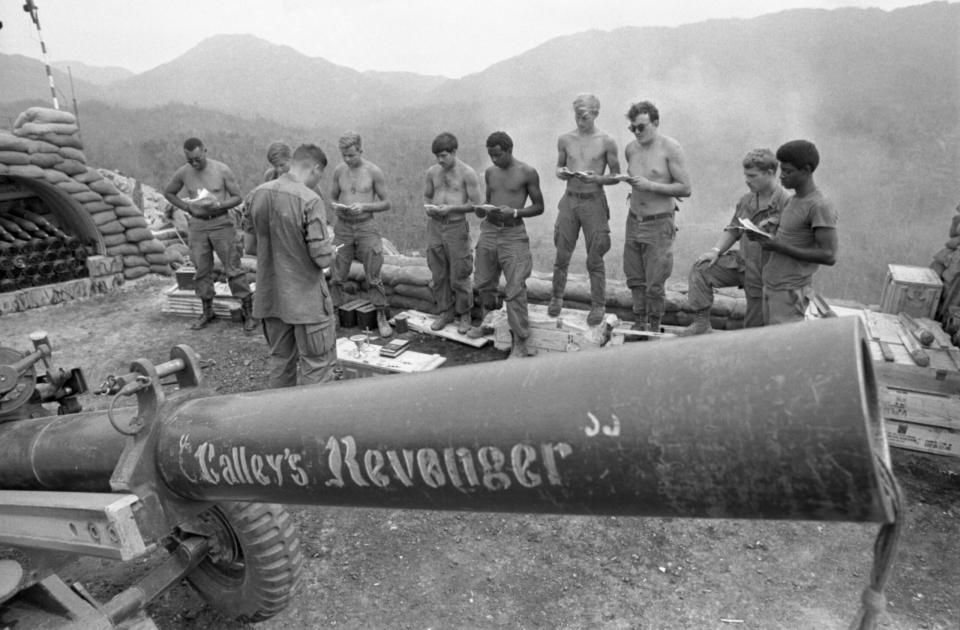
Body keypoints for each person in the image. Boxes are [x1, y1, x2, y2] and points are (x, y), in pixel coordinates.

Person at [244, 144, 338, 388]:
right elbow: (322, 259)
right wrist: (332, 251)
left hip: (271, 297)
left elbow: (250, 247)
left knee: (281, 362)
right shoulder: (310, 199)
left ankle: (282, 420)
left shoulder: (256, 195)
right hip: (306, 301)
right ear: (316, 169)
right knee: (317, 365)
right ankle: (313, 423)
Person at [681, 148, 790, 334]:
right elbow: (733, 229)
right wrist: (716, 250)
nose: (747, 180)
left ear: (770, 173)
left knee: (754, 330)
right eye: (746, 175)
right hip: (742, 263)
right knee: (701, 268)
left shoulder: (786, 203)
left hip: (766, 272)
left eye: (753, 176)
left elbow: (792, 242)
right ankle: (701, 323)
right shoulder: (747, 200)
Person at [163, 137, 254, 332]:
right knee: (201, 268)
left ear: (205, 151)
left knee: (233, 267)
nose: (195, 163)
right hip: (197, 225)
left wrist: (219, 204)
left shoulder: (222, 170)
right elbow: (169, 193)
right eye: (190, 160)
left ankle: (248, 311)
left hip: (221, 222)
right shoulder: (183, 173)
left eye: (197, 159)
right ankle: (207, 311)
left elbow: (238, 197)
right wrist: (188, 207)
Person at [469, 131, 544, 358]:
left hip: (513, 234)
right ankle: (490, 321)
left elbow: (539, 206)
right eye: (490, 155)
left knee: (515, 287)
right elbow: (490, 200)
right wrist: (482, 209)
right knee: (484, 281)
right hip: (490, 230)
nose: (493, 160)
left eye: (497, 155)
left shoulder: (527, 172)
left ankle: (520, 340)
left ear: (509, 150)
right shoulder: (491, 172)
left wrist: (515, 212)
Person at [549, 94, 621, 326]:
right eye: (577, 112)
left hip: (593, 201)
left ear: (596, 113)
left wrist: (597, 178)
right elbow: (559, 166)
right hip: (570, 200)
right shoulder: (565, 139)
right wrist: (561, 172)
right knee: (562, 252)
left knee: (595, 256)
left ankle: (598, 304)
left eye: (586, 113)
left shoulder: (607, 141)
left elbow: (616, 176)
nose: (581, 117)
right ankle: (556, 297)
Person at [620, 101, 692, 333]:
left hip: (659, 222)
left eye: (642, 127)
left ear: (656, 123)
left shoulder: (671, 148)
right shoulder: (631, 149)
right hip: (634, 220)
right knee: (634, 278)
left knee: (655, 282)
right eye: (633, 128)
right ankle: (639, 322)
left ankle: (654, 327)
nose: (637, 133)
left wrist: (650, 185)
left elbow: (685, 188)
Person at [751, 139, 838, 325]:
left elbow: (829, 255)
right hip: (773, 286)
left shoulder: (820, 206)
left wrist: (780, 247)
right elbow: (791, 234)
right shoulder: (793, 200)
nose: (782, 176)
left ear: (806, 170)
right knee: (769, 346)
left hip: (790, 293)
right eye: (782, 170)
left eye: (788, 171)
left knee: (781, 349)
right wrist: (766, 231)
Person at [329, 131, 393, 338]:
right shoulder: (339, 171)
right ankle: (335, 313)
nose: (347, 159)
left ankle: (381, 315)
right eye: (344, 155)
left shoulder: (373, 171)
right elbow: (332, 196)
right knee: (337, 273)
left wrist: (364, 206)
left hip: (366, 226)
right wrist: (337, 208)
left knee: (373, 274)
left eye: (351, 155)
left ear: (360, 150)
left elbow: (386, 202)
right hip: (343, 227)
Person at [423, 132, 483, 334]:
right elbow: (427, 195)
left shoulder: (467, 173)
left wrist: (451, 209)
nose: (440, 160)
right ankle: (445, 312)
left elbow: (477, 205)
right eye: (437, 156)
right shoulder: (432, 172)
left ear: (454, 152)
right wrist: (430, 207)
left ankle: (465, 315)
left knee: (460, 273)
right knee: (438, 273)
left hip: (456, 227)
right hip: (435, 226)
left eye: (444, 155)